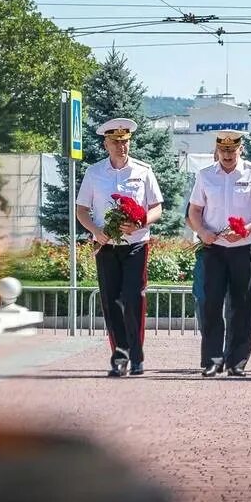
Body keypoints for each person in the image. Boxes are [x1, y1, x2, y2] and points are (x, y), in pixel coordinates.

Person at [75, 118, 164, 377]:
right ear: (106, 144)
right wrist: (96, 231)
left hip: (135, 244)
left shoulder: (143, 171)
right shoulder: (94, 173)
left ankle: (136, 357)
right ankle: (120, 357)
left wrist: (141, 222)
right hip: (106, 246)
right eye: (115, 142)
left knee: (133, 298)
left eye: (125, 142)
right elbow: (82, 210)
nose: (121, 147)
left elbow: (156, 207)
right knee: (111, 301)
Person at [187, 130, 251, 378]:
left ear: (241, 149)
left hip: (244, 247)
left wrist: (247, 229)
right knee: (211, 304)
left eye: (232, 150)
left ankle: (237, 361)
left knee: (242, 305)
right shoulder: (205, 175)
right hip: (213, 247)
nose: (227, 155)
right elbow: (194, 211)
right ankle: (212, 360)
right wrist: (201, 231)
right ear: (217, 151)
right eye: (223, 150)